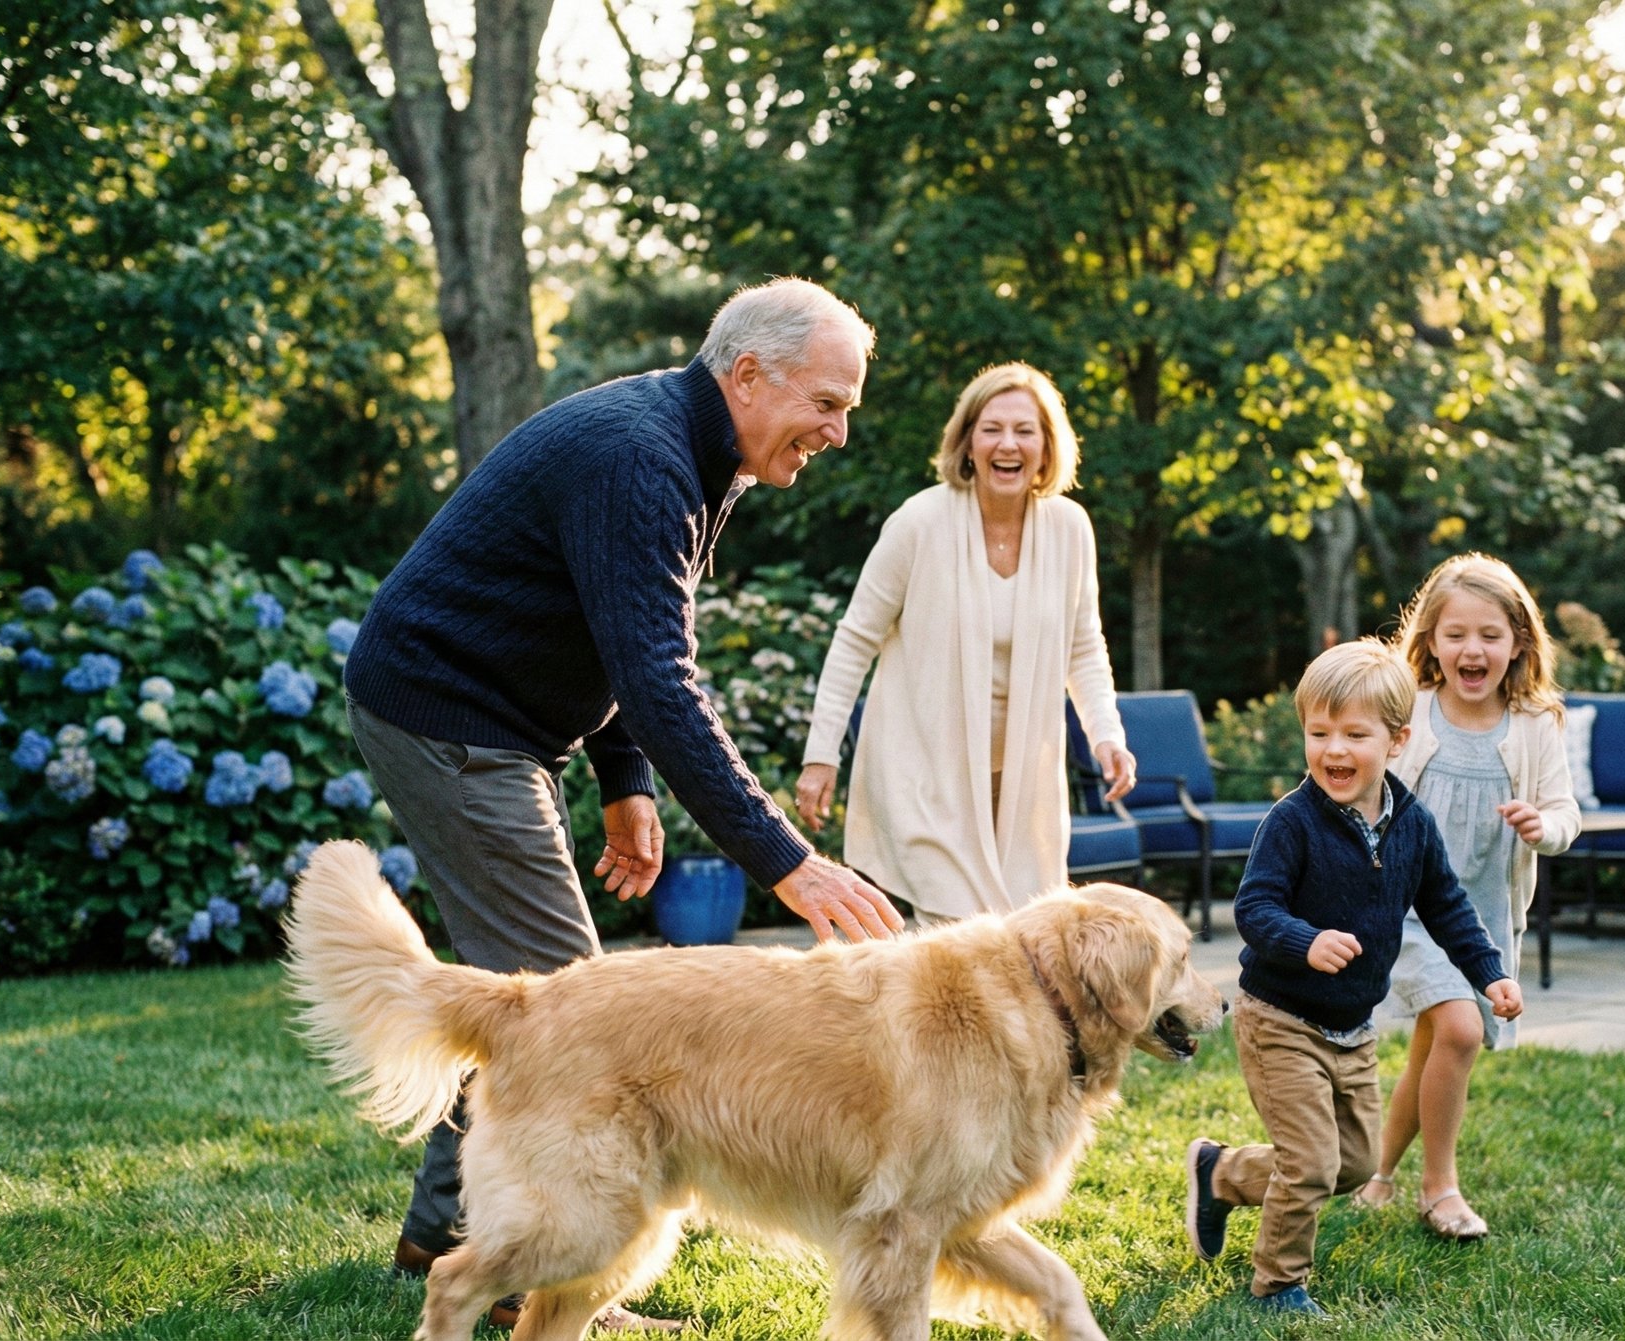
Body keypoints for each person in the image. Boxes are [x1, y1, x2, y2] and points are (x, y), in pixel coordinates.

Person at [340, 277, 904, 1332]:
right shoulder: (640, 458)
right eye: (827, 404)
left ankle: (443, 1233)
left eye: (845, 410)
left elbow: (620, 636)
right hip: (446, 715)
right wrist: (784, 859)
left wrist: (624, 784)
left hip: (503, 719)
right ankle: (523, 1284)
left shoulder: (698, 454)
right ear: (747, 375)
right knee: (567, 1012)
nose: (836, 431)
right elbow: (654, 675)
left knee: (530, 1003)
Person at [1182, 639, 1522, 1318]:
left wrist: (1489, 974)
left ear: (1396, 740)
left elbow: (1448, 906)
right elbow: (1254, 908)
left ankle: (1220, 1173)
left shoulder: (1412, 825)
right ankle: (1278, 1284)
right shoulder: (1292, 822)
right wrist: (1305, 941)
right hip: (1279, 1016)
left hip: (1352, 1028)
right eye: (1319, 732)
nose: (1334, 749)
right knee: (1310, 1162)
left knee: (1356, 1165)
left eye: (1354, 734)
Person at [794, 362, 1136, 921]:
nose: (1008, 444)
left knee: (1019, 933)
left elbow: (1084, 647)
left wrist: (1107, 736)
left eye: (1025, 431)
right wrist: (820, 755)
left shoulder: (1071, 529)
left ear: (1048, 447)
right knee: (953, 928)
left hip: (1023, 778)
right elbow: (855, 640)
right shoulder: (918, 523)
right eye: (992, 428)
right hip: (925, 768)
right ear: (967, 441)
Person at [1348, 553, 1581, 1238]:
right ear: (1431, 641)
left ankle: (1379, 1175)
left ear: (1518, 644)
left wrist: (1546, 826)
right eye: (1455, 634)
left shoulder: (1537, 721)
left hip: (1482, 917)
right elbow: (1364, 786)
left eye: (1489, 634)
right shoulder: (1410, 710)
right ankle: (1439, 1188)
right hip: (1409, 910)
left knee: (1432, 1047)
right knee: (1458, 1029)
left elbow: (1565, 808)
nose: (1472, 649)